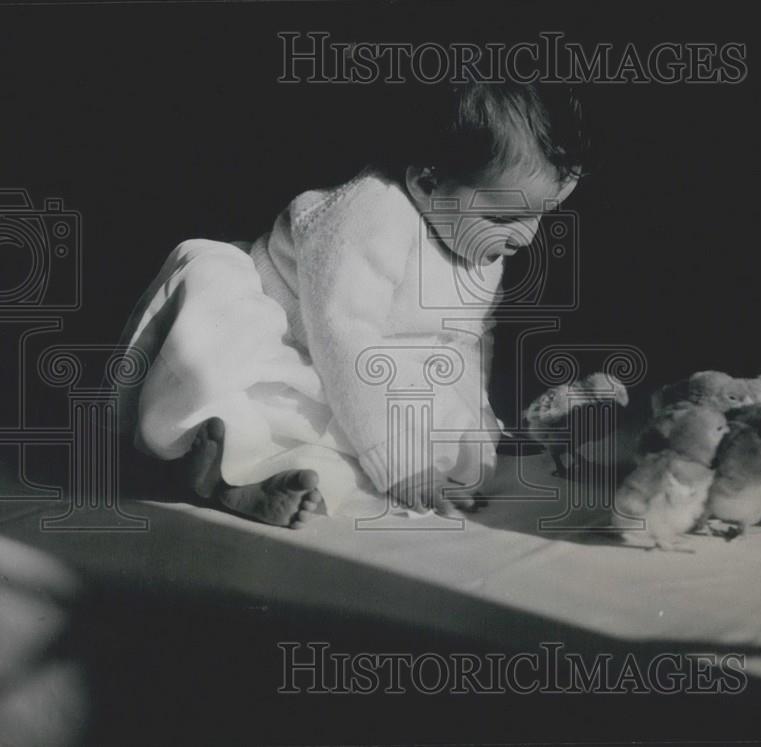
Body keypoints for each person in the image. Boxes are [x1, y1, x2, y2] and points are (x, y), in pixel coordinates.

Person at [120, 81, 588, 528]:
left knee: (391, 437)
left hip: (349, 372)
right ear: (427, 182)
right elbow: (344, 333)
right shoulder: (373, 212)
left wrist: (475, 426)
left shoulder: (480, 248)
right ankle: (216, 451)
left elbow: (463, 344)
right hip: (284, 333)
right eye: (505, 216)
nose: (526, 238)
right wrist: (399, 462)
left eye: (541, 216)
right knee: (226, 360)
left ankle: (251, 480)